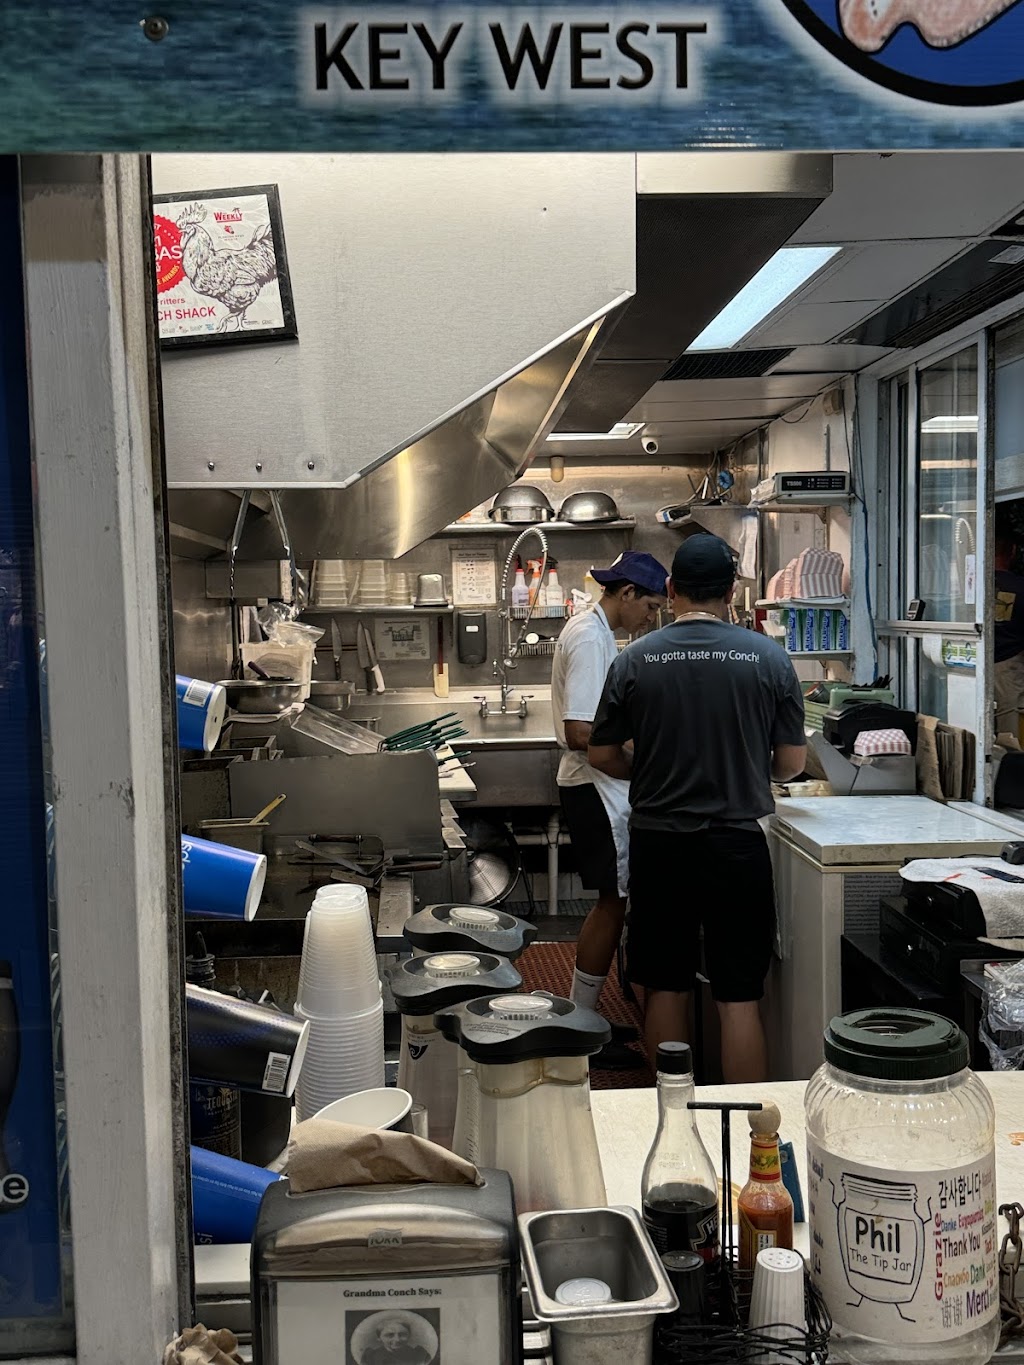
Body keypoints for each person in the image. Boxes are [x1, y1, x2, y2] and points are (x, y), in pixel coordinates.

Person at [587, 532, 806, 1084]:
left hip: (660, 843)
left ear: (670, 590)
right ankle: (749, 1125)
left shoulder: (634, 659)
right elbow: (791, 764)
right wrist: (748, 767)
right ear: (730, 592)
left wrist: (650, 769)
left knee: (666, 985)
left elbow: (602, 754)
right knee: (739, 996)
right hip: (737, 844)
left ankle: (671, 1115)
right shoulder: (770, 658)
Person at [551, 549, 668, 1052]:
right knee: (611, 904)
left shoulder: (599, 633)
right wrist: (645, 758)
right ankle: (580, 1025)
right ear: (627, 593)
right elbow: (580, 730)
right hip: (593, 787)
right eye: (651, 606)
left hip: (597, 786)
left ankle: (584, 1018)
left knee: (612, 903)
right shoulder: (589, 636)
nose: (652, 618)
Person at [994, 514, 1024, 747]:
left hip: (966, 665)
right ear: (1012, 551)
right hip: (1010, 673)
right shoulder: (1020, 588)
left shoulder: (970, 589)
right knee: (1011, 740)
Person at [359, 1317, 433, 1365]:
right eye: (389, 1335)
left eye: (402, 1334)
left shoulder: (420, 1355)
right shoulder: (370, 1357)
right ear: (379, 1338)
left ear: (409, 1336)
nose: (397, 1339)